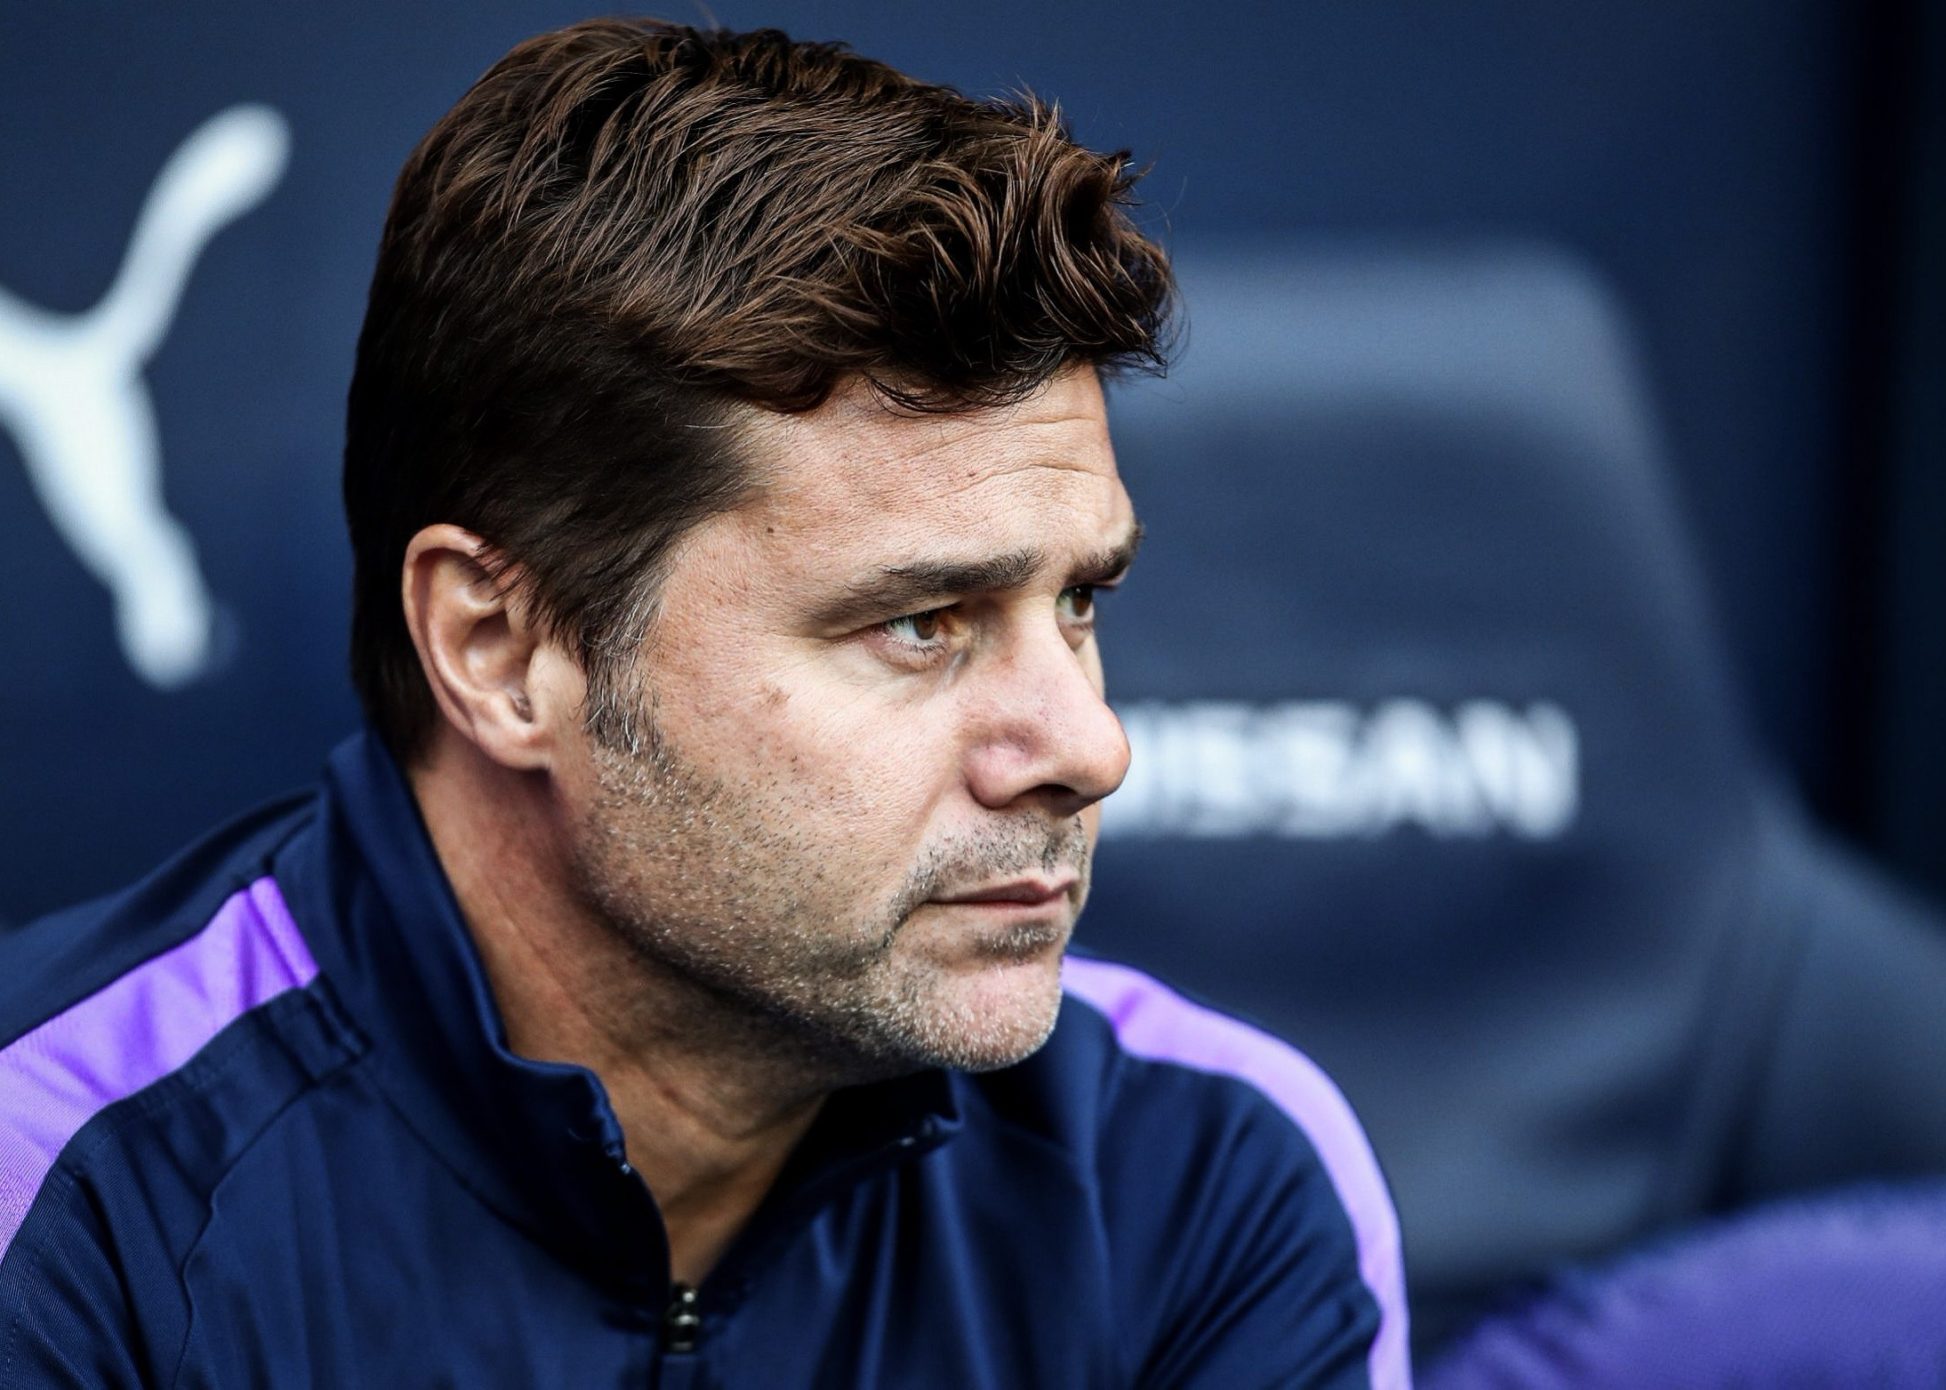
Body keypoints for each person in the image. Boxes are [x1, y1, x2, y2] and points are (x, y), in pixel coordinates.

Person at [0, 20, 1406, 1387]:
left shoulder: (1207, 1175)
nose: (1090, 747)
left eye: (1080, 601)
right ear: (500, 651)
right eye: (920, 623)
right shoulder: (67, 1193)